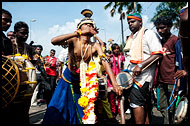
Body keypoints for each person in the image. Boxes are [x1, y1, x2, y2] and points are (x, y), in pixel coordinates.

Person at [43, 9, 122, 124]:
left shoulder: (94, 45)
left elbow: (104, 61)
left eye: (91, 25)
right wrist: (77, 33)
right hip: (67, 80)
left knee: (82, 113)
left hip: (82, 82)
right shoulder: (74, 40)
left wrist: (115, 84)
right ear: (80, 28)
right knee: (57, 112)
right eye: (87, 25)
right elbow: (54, 41)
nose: (89, 27)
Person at [123, 12, 163, 124]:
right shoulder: (132, 38)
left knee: (136, 103)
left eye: (133, 21)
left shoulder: (149, 34)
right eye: (129, 22)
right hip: (132, 75)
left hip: (143, 77)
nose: (130, 24)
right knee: (142, 104)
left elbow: (158, 54)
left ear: (140, 22)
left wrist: (140, 65)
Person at [154, 16, 187, 124]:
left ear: (169, 27)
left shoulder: (175, 41)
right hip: (161, 81)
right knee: (162, 107)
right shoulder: (159, 41)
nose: (159, 31)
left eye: (162, 28)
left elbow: (179, 61)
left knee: (172, 108)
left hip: (172, 81)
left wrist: (178, 82)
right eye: (157, 28)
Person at [107, 43, 125, 118]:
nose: (116, 50)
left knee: (120, 95)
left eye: (117, 48)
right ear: (112, 50)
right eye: (115, 49)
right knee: (112, 97)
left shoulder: (122, 57)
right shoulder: (110, 58)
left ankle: (121, 111)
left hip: (119, 78)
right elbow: (108, 68)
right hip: (111, 79)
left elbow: (123, 67)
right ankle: (113, 111)